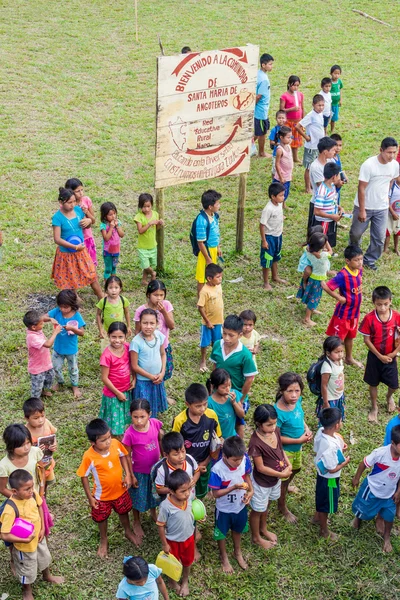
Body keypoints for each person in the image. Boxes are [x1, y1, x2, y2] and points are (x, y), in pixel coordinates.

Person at [76, 418, 138, 557]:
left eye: (109, 437)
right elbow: (83, 476)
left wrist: (127, 474)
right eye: (103, 440)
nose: (108, 441)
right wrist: (90, 498)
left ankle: (127, 530)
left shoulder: (116, 444)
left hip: (120, 490)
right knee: (101, 518)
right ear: (93, 443)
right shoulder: (89, 456)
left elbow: (123, 456)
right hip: (102, 496)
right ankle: (104, 539)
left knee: (124, 511)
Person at [0, 470, 64, 600]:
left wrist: (42, 529)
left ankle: (47, 575)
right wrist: (24, 540)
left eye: (32, 487)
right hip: (24, 546)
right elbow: (4, 535)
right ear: (14, 491)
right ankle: (27, 590)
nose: (31, 490)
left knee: (44, 557)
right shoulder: (10, 509)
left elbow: (40, 506)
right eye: (27, 489)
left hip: (38, 537)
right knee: (27, 568)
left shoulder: (33, 495)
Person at [349, 137, 399, 271]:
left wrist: (385, 198)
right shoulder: (369, 165)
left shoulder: (394, 165)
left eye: (394, 152)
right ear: (381, 150)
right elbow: (361, 188)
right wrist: (362, 210)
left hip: (381, 207)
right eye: (389, 152)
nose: (392, 155)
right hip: (365, 206)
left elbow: (390, 181)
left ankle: (369, 260)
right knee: (356, 233)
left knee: (379, 237)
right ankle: (353, 254)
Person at [248, 404, 292, 550]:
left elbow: (280, 449)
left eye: (274, 423)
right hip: (262, 483)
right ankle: (256, 537)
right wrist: (282, 474)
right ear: (259, 424)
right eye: (269, 425)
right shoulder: (255, 443)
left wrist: (288, 462)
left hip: (275, 480)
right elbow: (260, 467)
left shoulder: (276, 431)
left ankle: (263, 528)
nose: (273, 427)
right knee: (257, 510)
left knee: (266, 505)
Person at [352, 425, 400, 553]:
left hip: (389, 494)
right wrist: (356, 478)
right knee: (363, 508)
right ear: (393, 443)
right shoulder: (380, 453)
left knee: (390, 516)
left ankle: (387, 538)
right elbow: (363, 463)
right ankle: (358, 518)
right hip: (372, 489)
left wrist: (398, 492)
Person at [209, 436, 253, 574]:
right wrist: (233, 488)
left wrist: (250, 491)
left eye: (240, 459)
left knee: (237, 529)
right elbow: (215, 494)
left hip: (240, 505)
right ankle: (224, 557)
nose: (238, 462)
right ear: (225, 456)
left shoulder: (244, 459)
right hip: (224, 509)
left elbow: (246, 476)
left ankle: (237, 552)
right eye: (235, 460)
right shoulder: (217, 470)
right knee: (221, 533)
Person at [0, 424, 53, 536]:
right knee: (19, 532)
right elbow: (3, 488)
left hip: (37, 498)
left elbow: (41, 470)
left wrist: (41, 492)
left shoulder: (35, 452)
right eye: (22, 445)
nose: (27, 447)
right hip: (19, 504)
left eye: (28, 442)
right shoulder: (4, 465)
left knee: (42, 528)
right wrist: (21, 499)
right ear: (11, 447)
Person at [210, 315, 258, 438]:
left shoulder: (245, 354)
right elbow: (215, 367)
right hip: (218, 391)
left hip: (235, 394)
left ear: (240, 335)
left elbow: (249, 379)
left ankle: (240, 451)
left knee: (238, 422)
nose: (226, 338)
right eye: (224, 333)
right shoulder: (217, 345)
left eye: (231, 335)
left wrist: (241, 400)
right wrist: (212, 389)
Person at [122, 398, 163, 541]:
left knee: (153, 493)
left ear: (149, 414)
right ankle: (136, 520)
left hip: (154, 470)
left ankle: (153, 512)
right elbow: (126, 456)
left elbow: (159, 439)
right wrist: (130, 475)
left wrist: (164, 459)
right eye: (135, 417)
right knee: (137, 496)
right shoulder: (129, 434)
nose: (139, 421)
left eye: (142, 417)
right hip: (138, 472)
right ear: (130, 415)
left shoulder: (155, 424)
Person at [274, 373, 312, 523]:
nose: (294, 395)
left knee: (296, 469)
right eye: (290, 391)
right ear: (282, 391)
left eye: (297, 391)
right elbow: (275, 437)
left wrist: (306, 428)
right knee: (284, 477)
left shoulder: (298, 401)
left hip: (298, 447)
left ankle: (286, 486)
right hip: (285, 451)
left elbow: (301, 418)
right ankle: (282, 506)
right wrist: (298, 440)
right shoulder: (278, 412)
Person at [51, 187, 102, 299]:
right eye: (69, 202)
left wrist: (88, 221)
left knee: (91, 274)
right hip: (66, 254)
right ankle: (74, 298)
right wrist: (74, 246)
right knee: (69, 277)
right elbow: (57, 239)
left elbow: (86, 225)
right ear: (60, 202)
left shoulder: (78, 210)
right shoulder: (57, 218)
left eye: (74, 201)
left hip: (81, 251)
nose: (73, 204)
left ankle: (101, 296)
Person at [172, 383, 221, 498]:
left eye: (205, 404)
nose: (203, 409)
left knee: (200, 492)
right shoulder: (180, 421)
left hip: (205, 462)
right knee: (185, 491)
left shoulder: (212, 416)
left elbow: (217, 442)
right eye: (198, 406)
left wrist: (206, 462)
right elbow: (174, 446)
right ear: (187, 404)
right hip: (186, 465)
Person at [359, 286, 400, 423]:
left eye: (385, 304)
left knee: (394, 385)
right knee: (373, 383)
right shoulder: (369, 319)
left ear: (390, 301)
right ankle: (374, 407)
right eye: (379, 304)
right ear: (373, 303)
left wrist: (394, 353)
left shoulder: (396, 317)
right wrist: (379, 356)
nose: (382, 308)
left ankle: (389, 397)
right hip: (375, 357)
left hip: (391, 357)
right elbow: (366, 340)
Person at [321, 245, 364, 368]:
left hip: (355, 313)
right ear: (347, 261)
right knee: (337, 339)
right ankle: (330, 361)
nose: (360, 262)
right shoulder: (342, 275)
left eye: (361, 259)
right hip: (343, 314)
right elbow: (327, 286)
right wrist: (338, 298)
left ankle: (349, 358)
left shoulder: (359, 270)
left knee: (350, 336)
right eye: (356, 260)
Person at [157, 469, 195, 597]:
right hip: (173, 540)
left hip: (189, 537)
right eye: (183, 491)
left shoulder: (189, 499)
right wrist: (164, 544)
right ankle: (172, 581)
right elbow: (161, 526)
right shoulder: (165, 506)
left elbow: (192, 511)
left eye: (189, 489)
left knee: (188, 561)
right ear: (172, 491)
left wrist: (199, 517)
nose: (187, 494)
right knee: (173, 563)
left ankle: (185, 581)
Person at [313, 407, 349, 540]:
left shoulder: (321, 431)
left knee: (321, 496)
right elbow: (332, 468)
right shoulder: (330, 446)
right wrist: (345, 462)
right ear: (337, 425)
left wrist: (341, 444)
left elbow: (335, 437)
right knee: (326, 503)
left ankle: (317, 517)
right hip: (330, 479)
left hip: (321, 473)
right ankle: (324, 530)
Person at [46, 289, 85, 399]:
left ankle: (75, 386)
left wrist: (73, 329)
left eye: (66, 307)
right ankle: (60, 382)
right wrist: (50, 319)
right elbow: (43, 318)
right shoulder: (57, 311)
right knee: (55, 367)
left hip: (71, 349)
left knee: (73, 369)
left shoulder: (77, 316)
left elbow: (82, 332)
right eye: (61, 306)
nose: (63, 309)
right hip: (58, 348)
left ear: (72, 305)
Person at [134, 280, 175, 383]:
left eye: (162, 295)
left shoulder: (166, 305)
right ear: (148, 294)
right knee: (149, 374)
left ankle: (161, 394)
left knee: (163, 372)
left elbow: (172, 326)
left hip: (163, 346)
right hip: (147, 349)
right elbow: (137, 332)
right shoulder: (141, 310)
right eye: (155, 295)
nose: (159, 298)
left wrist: (163, 312)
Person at [99, 322, 134, 437]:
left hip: (126, 389)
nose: (117, 340)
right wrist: (117, 393)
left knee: (124, 415)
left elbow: (133, 364)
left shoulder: (128, 347)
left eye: (120, 337)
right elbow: (104, 378)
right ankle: (115, 438)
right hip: (113, 393)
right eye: (114, 337)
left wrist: (134, 379)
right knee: (114, 418)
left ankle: (124, 433)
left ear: (126, 336)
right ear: (108, 335)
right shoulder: (106, 355)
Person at [130, 309, 167, 416]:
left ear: (157, 324)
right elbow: (134, 366)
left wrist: (162, 372)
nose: (148, 326)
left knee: (154, 404)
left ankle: (153, 422)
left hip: (157, 378)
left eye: (152, 323)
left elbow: (163, 354)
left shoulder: (159, 336)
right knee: (143, 407)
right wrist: (151, 376)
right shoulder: (136, 342)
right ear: (140, 323)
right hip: (143, 381)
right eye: (145, 323)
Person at [23, 310, 62, 399]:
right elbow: (48, 344)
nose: (43, 324)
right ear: (33, 327)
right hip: (37, 367)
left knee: (50, 378)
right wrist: (55, 332)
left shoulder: (36, 328)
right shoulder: (32, 337)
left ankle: (43, 391)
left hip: (46, 363)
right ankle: (35, 400)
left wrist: (50, 319)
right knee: (37, 385)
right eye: (41, 323)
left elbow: (43, 319)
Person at [296, 232, 331, 326]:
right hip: (318, 280)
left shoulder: (308, 251)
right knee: (314, 297)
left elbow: (307, 247)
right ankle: (307, 319)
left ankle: (312, 309)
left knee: (312, 295)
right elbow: (330, 251)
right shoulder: (322, 256)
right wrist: (327, 240)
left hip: (312, 278)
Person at [23, 398, 58, 493]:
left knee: (44, 485)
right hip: (34, 467)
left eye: (42, 416)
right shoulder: (25, 432)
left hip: (47, 463)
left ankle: (43, 502)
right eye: (36, 418)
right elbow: (23, 451)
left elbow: (53, 436)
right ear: (26, 418)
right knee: (34, 487)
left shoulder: (47, 423)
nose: (41, 420)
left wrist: (54, 445)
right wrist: (34, 450)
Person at [153, 432, 200, 500]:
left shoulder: (189, 459)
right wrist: (175, 490)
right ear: (166, 455)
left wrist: (194, 480)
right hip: (173, 504)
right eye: (176, 454)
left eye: (183, 451)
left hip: (190, 498)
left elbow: (197, 471)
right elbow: (159, 489)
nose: (181, 456)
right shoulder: (163, 470)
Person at [259, 182, 288, 291]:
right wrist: (264, 240)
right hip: (269, 237)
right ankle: (266, 282)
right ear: (273, 196)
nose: (283, 197)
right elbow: (262, 225)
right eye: (280, 195)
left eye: (283, 194)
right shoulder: (268, 209)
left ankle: (275, 276)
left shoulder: (279, 204)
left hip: (278, 236)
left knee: (276, 256)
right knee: (267, 259)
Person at [194, 189, 222, 296]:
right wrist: (207, 258)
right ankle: (201, 299)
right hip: (205, 251)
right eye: (217, 203)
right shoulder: (202, 221)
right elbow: (200, 242)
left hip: (213, 249)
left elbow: (216, 233)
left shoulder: (214, 216)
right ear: (210, 206)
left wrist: (218, 247)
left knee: (211, 273)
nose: (219, 205)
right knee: (202, 276)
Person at [295, 94, 325, 193]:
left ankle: (313, 184)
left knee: (317, 166)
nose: (321, 108)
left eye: (322, 105)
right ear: (313, 105)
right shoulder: (310, 115)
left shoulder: (320, 114)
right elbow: (298, 126)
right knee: (309, 167)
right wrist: (306, 137)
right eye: (319, 105)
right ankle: (307, 188)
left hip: (319, 146)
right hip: (311, 146)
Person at [197, 263, 224, 373]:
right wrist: (207, 321)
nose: (220, 279)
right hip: (207, 323)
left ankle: (215, 360)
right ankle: (203, 360)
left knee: (216, 342)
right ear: (209, 278)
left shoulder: (218, 286)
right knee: (205, 342)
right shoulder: (204, 291)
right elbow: (200, 307)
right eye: (218, 277)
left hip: (219, 321)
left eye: (221, 276)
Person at [65, 177, 97, 265]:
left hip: (87, 237)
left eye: (82, 190)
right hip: (74, 240)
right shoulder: (68, 205)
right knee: (77, 264)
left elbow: (93, 220)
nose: (81, 193)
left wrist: (88, 216)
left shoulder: (86, 200)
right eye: (77, 191)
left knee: (89, 264)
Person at [134, 193, 164, 286]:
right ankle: (153, 273)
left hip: (152, 245)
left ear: (151, 205)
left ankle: (144, 280)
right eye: (144, 207)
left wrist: (160, 223)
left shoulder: (155, 214)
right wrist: (149, 224)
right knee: (145, 265)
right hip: (143, 246)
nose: (146, 209)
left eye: (148, 206)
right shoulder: (139, 217)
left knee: (150, 264)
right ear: (140, 206)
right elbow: (140, 231)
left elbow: (157, 229)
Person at [307, 137, 338, 228]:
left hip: (330, 201)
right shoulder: (316, 167)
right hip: (319, 203)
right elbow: (322, 186)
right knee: (317, 233)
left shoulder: (330, 161)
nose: (334, 152)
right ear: (325, 152)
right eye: (332, 150)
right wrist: (337, 182)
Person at [206, 369, 244, 439]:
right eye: (223, 387)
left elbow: (241, 415)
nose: (228, 389)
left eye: (229, 385)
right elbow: (208, 424)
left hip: (232, 437)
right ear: (214, 386)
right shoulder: (209, 403)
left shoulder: (234, 394)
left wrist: (234, 403)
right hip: (218, 439)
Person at [96, 276, 131, 351]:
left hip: (120, 330)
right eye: (110, 288)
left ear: (120, 289)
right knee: (106, 349)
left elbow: (127, 312)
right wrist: (100, 329)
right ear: (106, 290)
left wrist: (128, 326)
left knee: (120, 347)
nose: (113, 290)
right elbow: (98, 315)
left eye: (116, 287)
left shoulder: (123, 300)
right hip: (106, 330)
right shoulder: (103, 301)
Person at [313, 162, 343, 248]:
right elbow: (316, 211)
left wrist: (339, 207)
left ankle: (328, 251)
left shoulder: (332, 186)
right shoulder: (322, 191)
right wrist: (331, 216)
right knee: (322, 238)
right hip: (324, 221)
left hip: (330, 219)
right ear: (334, 177)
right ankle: (323, 253)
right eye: (338, 175)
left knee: (328, 237)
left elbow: (332, 202)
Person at [315, 336, 345, 421]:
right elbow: (324, 385)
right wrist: (325, 402)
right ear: (328, 353)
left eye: (341, 351)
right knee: (329, 418)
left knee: (336, 416)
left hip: (338, 395)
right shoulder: (327, 367)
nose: (340, 354)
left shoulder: (339, 360)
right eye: (337, 352)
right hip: (330, 398)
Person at [279, 75, 304, 163]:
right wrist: (291, 109)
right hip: (288, 122)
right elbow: (281, 110)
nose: (296, 87)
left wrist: (303, 119)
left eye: (297, 85)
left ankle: (295, 157)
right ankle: (285, 156)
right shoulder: (284, 96)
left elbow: (302, 108)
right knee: (288, 140)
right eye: (294, 85)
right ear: (289, 84)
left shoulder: (300, 95)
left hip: (298, 121)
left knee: (296, 141)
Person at [254, 53, 274, 158]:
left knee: (258, 132)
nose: (271, 66)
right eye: (270, 64)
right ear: (263, 65)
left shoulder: (258, 74)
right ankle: (261, 153)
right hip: (261, 111)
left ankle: (248, 147)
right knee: (261, 133)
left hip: (259, 110)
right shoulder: (264, 80)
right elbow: (258, 96)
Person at [100, 201, 125, 280]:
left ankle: (113, 282)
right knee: (108, 269)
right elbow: (106, 238)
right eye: (110, 215)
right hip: (107, 251)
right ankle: (106, 284)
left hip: (116, 250)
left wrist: (117, 226)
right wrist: (111, 228)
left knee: (114, 267)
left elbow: (122, 235)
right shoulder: (103, 225)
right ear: (104, 216)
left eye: (114, 213)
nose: (113, 216)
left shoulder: (118, 223)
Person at [273, 126, 294, 209]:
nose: (290, 139)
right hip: (281, 177)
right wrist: (280, 176)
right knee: (279, 194)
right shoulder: (280, 150)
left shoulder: (288, 146)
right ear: (281, 137)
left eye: (291, 137)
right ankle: (278, 209)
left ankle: (283, 205)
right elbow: (277, 164)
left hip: (287, 176)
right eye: (288, 137)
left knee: (286, 192)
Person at [384, 174, 400, 255]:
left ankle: (396, 248)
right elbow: (387, 200)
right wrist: (392, 212)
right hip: (390, 213)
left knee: (397, 232)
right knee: (388, 232)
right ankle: (385, 249)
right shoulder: (392, 186)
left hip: (399, 215)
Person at [330, 133, 348, 206]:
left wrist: (343, 175)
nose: (338, 148)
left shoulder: (337, 156)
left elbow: (339, 170)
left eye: (340, 145)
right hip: (332, 189)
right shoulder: (330, 160)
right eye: (336, 145)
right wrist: (337, 183)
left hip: (337, 189)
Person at [330, 65, 343, 133]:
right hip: (329, 104)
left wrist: (340, 99)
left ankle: (332, 130)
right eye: (335, 73)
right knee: (327, 117)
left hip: (336, 104)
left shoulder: (339, 82)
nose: (336, 75)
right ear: (331, 73)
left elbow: (340, 90)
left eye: (338, 74)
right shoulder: (329, 83)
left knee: (334, 118)